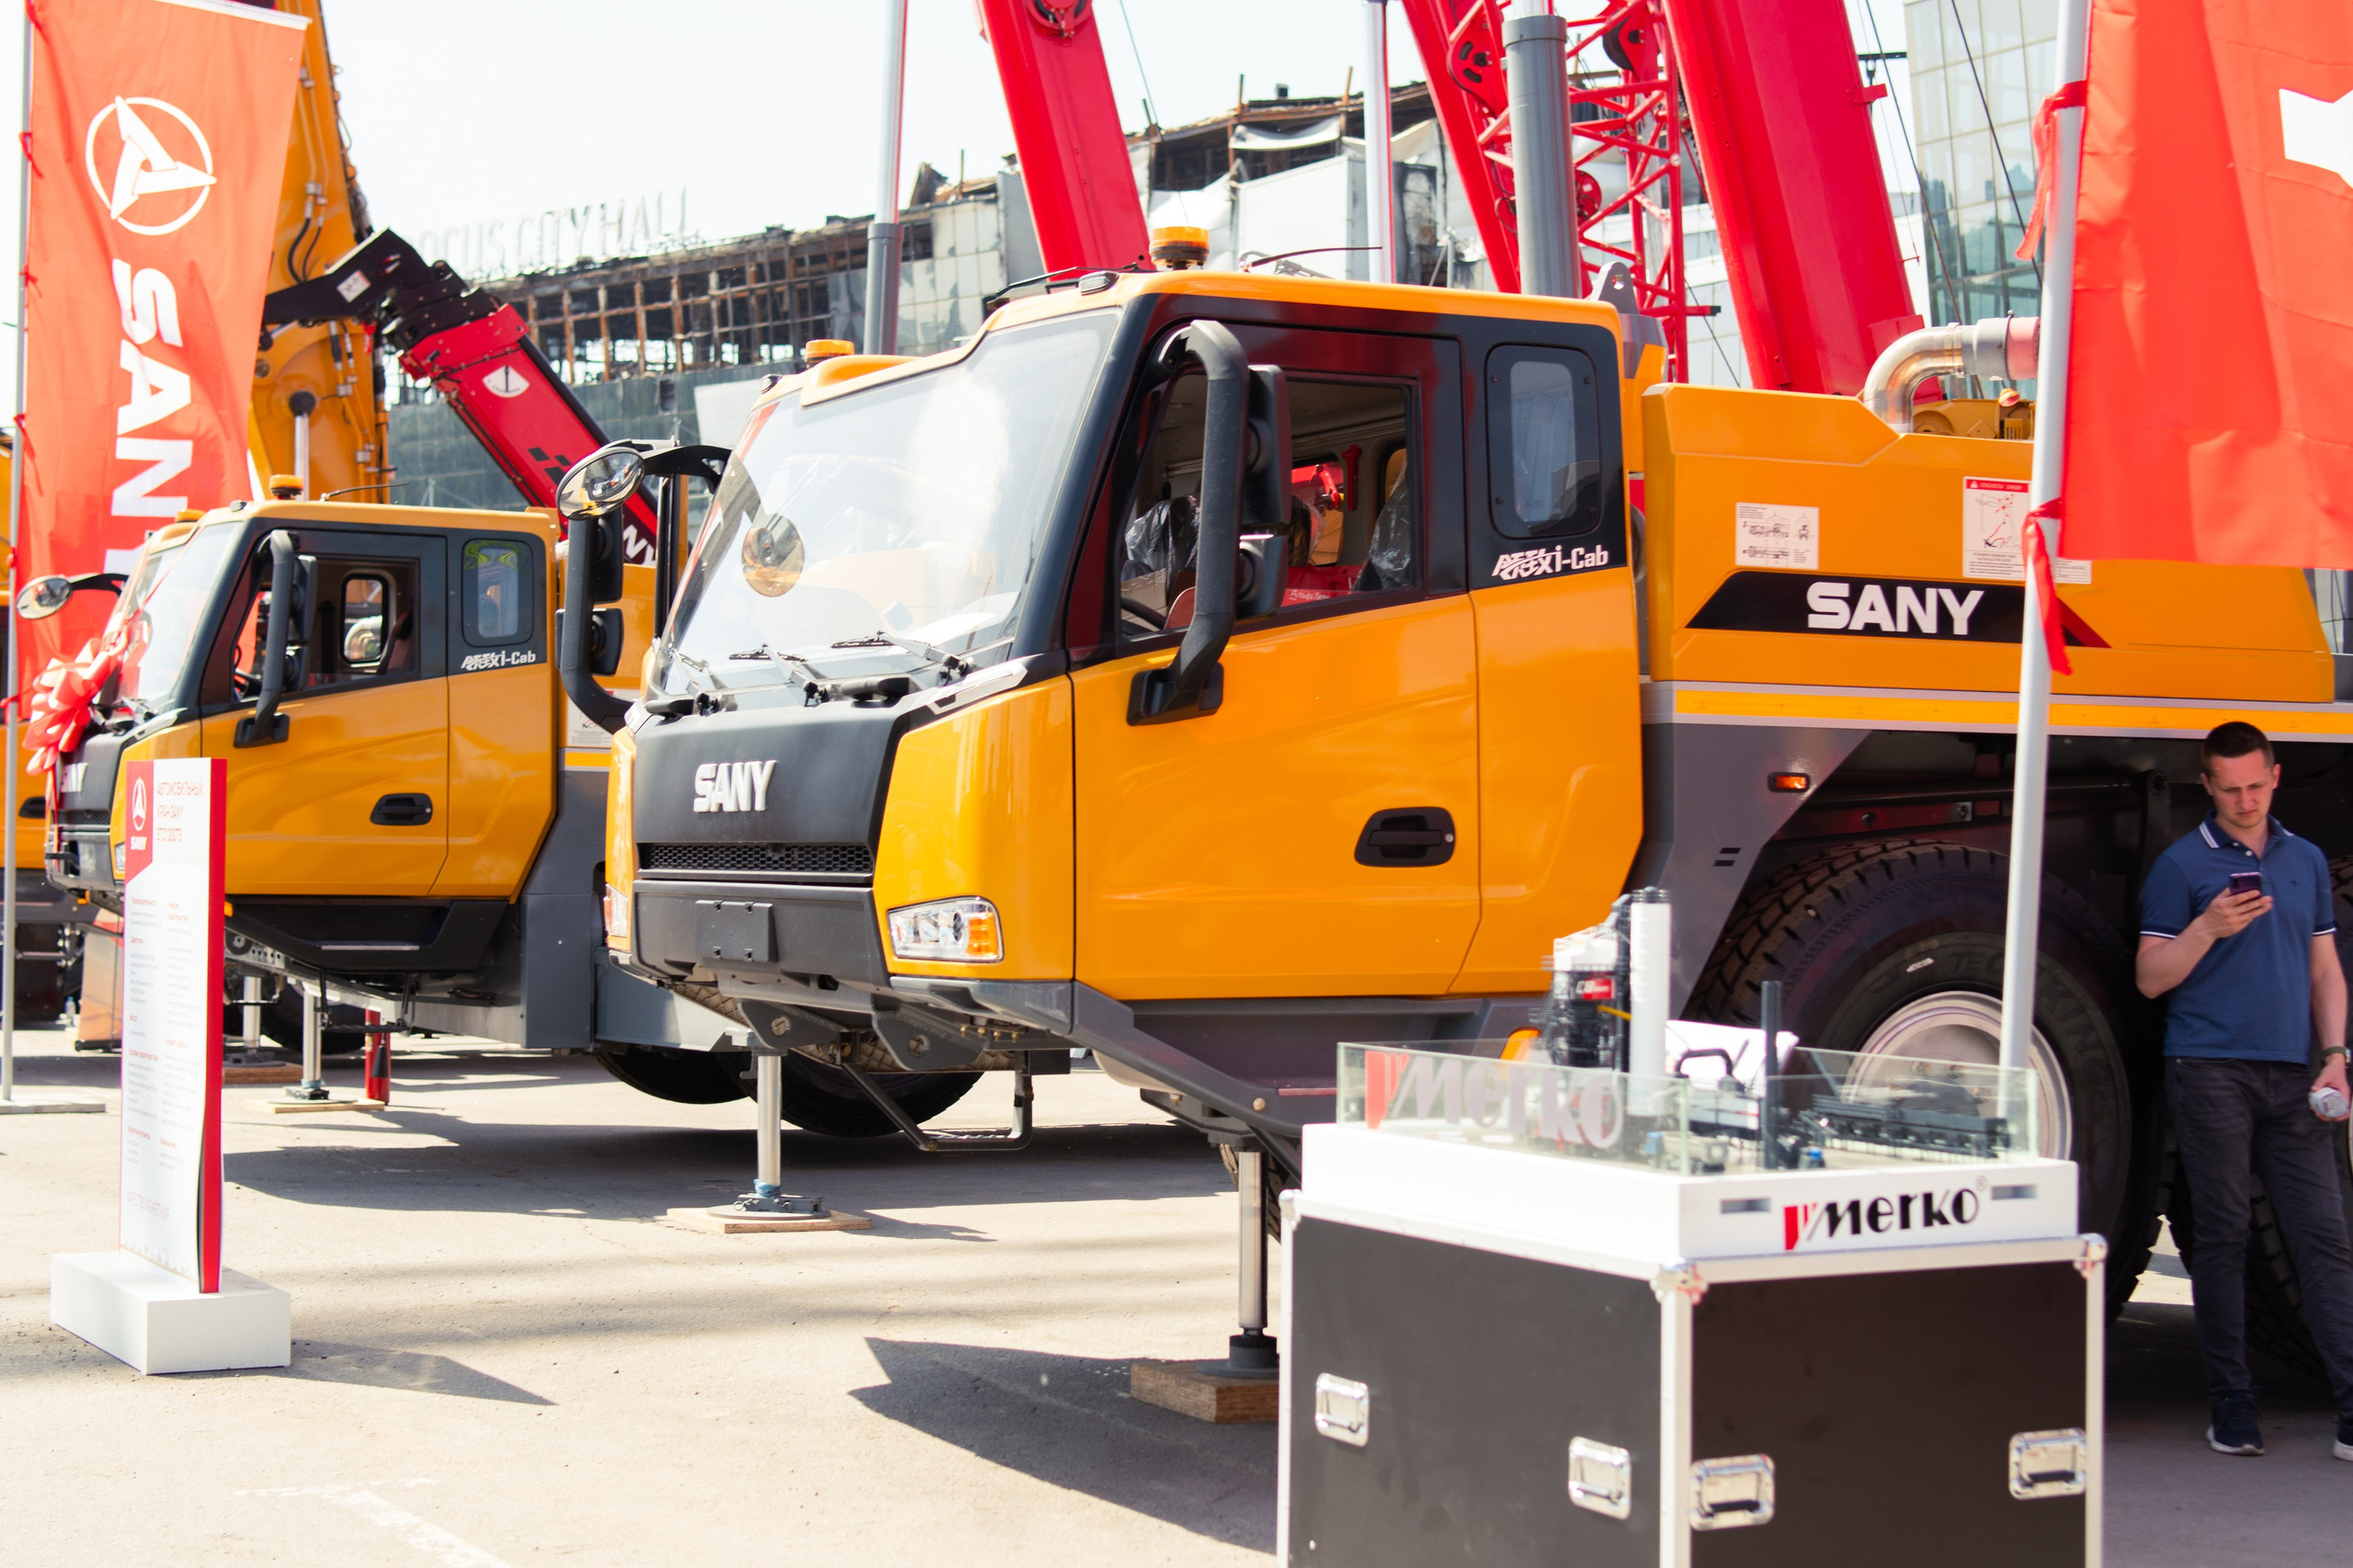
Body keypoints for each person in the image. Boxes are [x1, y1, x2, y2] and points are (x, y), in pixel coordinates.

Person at [2138, 721, 2353, 1458]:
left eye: (2256, 784)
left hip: (2298, 1075)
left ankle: (2351, 1410)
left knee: (2324, 1240)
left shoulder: (2306, 860)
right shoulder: (2179, 865)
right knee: (2224, 1237)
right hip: (2210, 1072)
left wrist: (2335, 1055)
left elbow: (2325, 967)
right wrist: (2206, 927)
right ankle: (2233, 1406)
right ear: (2206, 786)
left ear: (2276, 776)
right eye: (2229, 788)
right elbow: (2150, 977)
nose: (2245, 800)